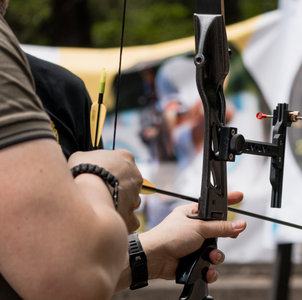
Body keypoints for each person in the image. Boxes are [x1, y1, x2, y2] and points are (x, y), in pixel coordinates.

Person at [0, 2, 247, 299]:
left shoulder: (61, 89)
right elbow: (68, 283)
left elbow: (39, 269)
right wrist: (101, 177)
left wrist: (149, 254)